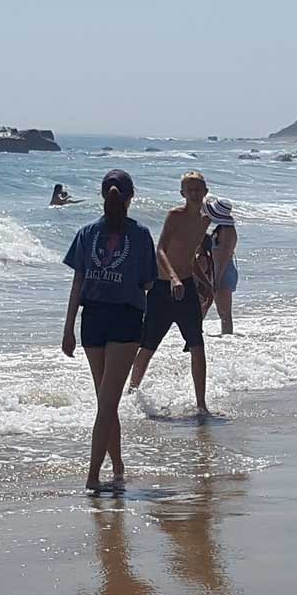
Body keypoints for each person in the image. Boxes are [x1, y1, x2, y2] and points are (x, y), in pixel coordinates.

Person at [61, 169, 159, 493]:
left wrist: (68, 328)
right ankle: (94, 477)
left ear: (103, 195)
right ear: (131, 197)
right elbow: (147, 282)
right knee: (107, 403)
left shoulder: (86, 233)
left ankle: (116, 468)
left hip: (92, 320)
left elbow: (77, 283)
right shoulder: (141, 234)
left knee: (106, 401)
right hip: (125, 319)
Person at [127, 172, 211, 414]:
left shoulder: (206, 220)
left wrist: (206, 284)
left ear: (206, 191)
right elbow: (161, 250)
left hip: (186, 289)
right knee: (149, 345)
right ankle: (131, 395)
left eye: (198, 189)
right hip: (163, 289)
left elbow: (190, 257)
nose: (194, 194)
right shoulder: (175, 215)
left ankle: (201, 404)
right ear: (182, 193)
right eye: (189, 189)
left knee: (197, 345)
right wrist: (173, 278)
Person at [202, 195, 239, 334]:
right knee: (214, 308)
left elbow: (223, 258)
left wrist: (216, 280)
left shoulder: (227, 232)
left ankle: (228, 339)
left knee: (224, 313)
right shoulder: (222, 229)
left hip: (222, 271)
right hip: (219, 270)